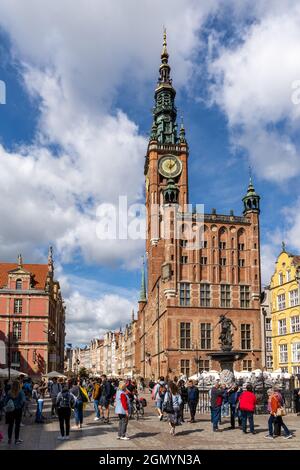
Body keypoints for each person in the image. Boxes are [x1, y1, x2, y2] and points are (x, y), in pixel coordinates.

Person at [4, 380, 26, 445]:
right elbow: (23, 401)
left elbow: (5, 401)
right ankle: (16, 440)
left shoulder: (9, 392)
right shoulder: (21, 392)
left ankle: (9, 439)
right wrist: (20, 406)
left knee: (10, 425)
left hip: (11, 411)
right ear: (19, 385)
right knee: (17, 425)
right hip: (18, 410)